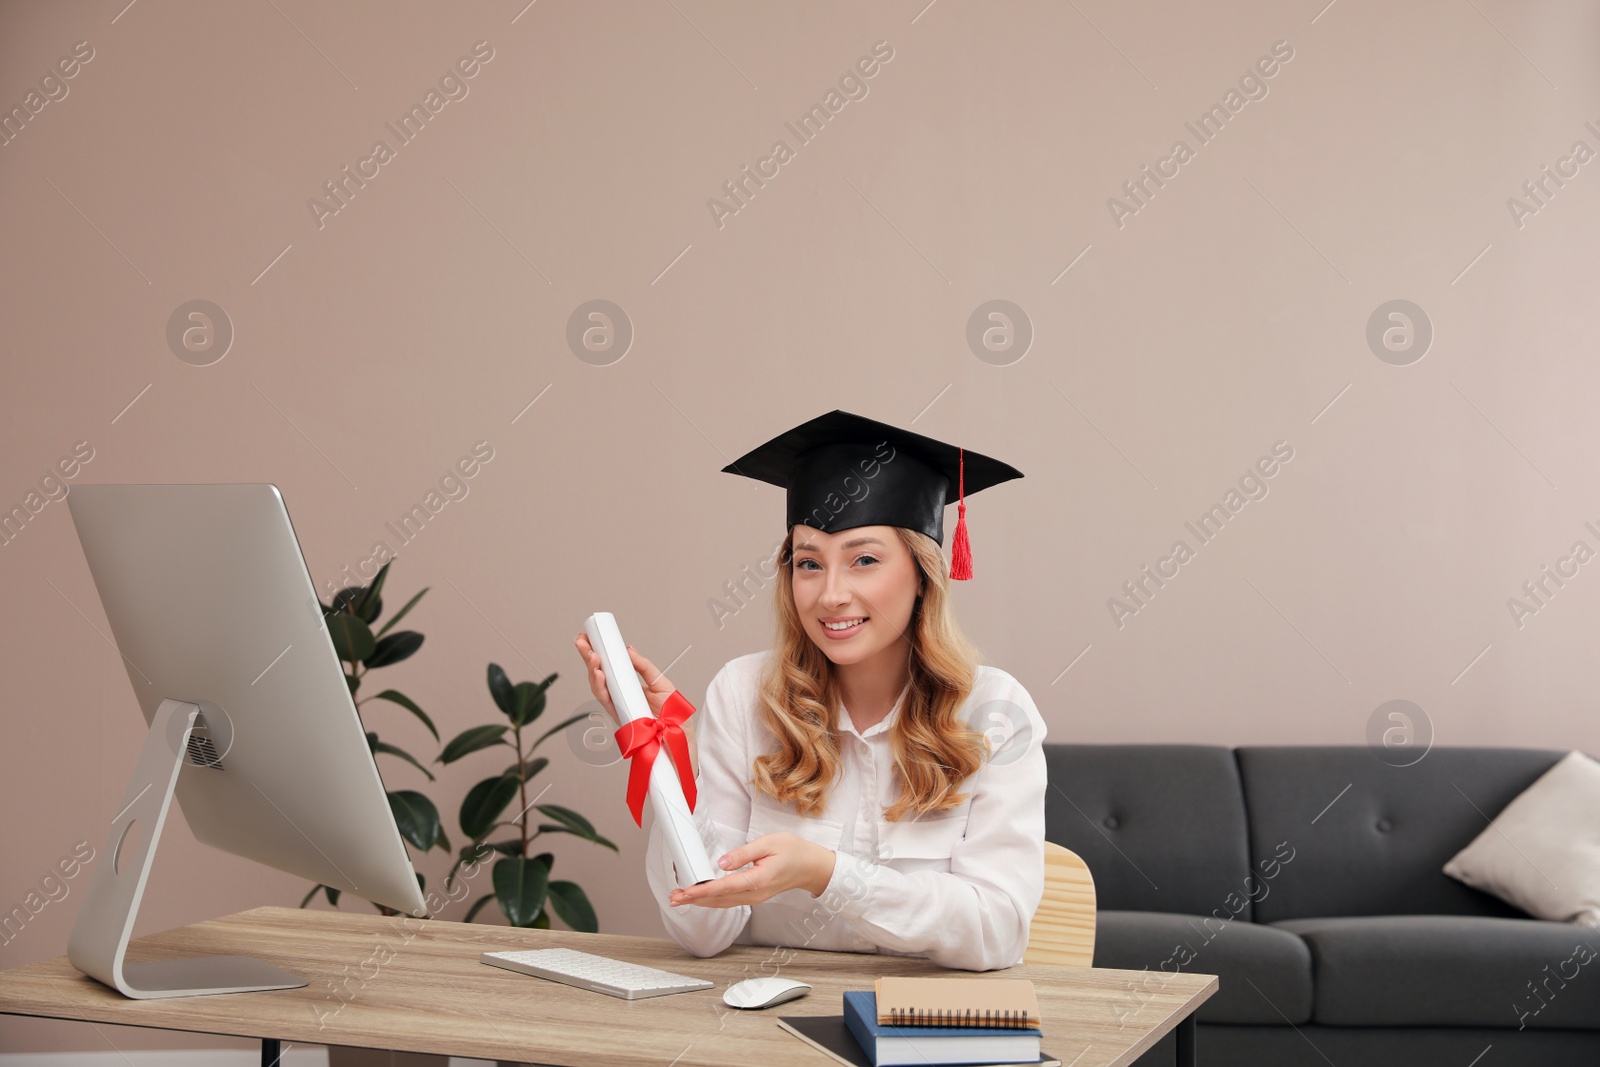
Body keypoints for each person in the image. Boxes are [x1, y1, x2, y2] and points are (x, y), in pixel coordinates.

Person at [572, 409, 1047, 972]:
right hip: (766, 1027)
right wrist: (668, 757)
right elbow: (703, 929)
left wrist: (827, 874)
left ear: (922, 575)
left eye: (864, 560)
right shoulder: (744, 696)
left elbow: (997, 932)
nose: (831, 594)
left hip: (922, 1029)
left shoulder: (994, 711)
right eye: (809, 563)